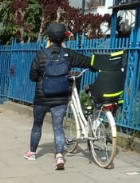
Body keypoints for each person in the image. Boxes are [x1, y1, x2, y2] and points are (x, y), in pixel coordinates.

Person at [25, 22, 93, 170]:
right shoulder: (69, 55)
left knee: (37, 125)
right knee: (58, 127)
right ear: (64, 38)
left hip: (41, 97)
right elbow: (88, 62)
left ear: (48, 37)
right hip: (61, 97)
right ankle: (59, 156)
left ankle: (31, 153)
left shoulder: (41, 54)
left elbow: (32, 76)